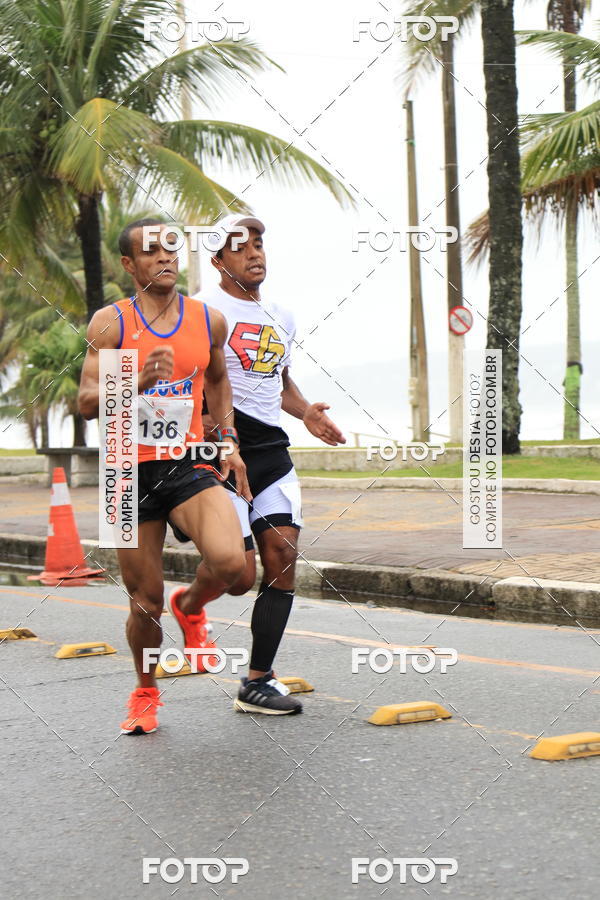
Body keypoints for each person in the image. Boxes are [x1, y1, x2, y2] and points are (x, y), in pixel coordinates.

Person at [167, 213, 346, 716]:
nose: (255, 253)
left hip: (270, 450)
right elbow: (188, 387)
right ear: (218, 259)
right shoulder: (201, 311)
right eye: (240, 247)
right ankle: (187, 605)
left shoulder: (282, 315)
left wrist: (306, 411)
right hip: (221, 449)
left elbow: (280, 383)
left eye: (260, 244)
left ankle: (257, 680)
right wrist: (214, 440)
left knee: (283, 557)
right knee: (240, 576)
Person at [78, 218, 250, 735]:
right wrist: (131, 382)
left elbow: (217, 380)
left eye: (171, 248)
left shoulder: (208, 320)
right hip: (125, 472)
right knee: (144, 599)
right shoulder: (111, 324)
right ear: (130, 265)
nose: (165, 258)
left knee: (235, 569)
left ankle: (191, 605)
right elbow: (86, 402)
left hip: (187, 462)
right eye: (151, 252)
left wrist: (228, 440)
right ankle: (145, 690)